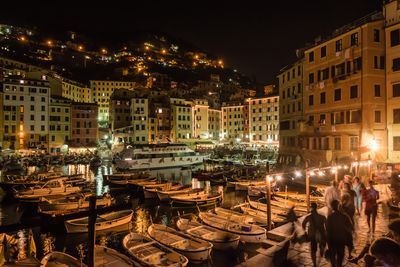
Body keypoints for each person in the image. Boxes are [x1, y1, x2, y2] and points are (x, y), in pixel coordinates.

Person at [326, 199, 353, 267]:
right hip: (341, 239)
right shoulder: (344, 216)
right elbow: (350, 228)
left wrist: (327, 241)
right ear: (339, 206)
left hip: (332, 240)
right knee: (340, 256)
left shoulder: (330, 217)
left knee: (332, 256)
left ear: (332, 207)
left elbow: (327, 230)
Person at [302, 202, 327, 267]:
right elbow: (326, 224)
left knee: (313, 250)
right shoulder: (322, 217)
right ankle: (321, 248)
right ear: (316, 207)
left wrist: (305, 232)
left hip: (312, 235)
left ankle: (315, 264)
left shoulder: (309, 217)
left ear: (311, 208)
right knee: (322, 244)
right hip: (321, 234)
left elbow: (303, 224)